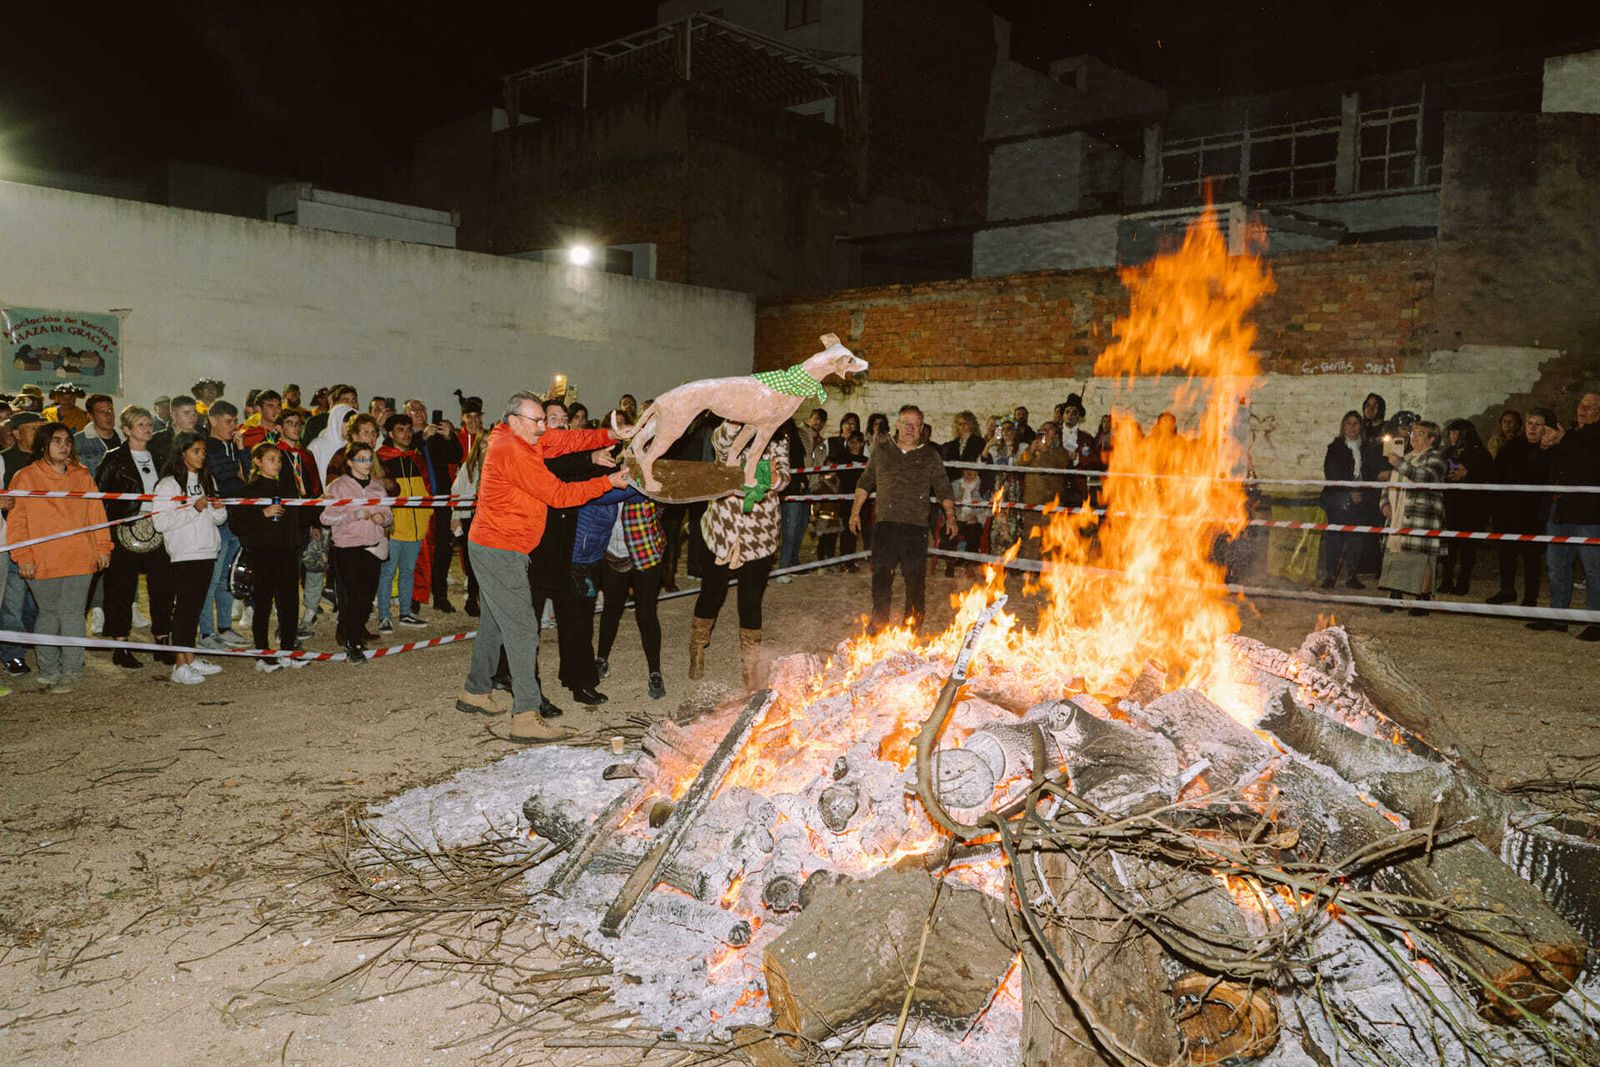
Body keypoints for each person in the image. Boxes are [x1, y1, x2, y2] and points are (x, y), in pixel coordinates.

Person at [460, 391, 625, 743]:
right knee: (522, 630)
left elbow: (567, 438)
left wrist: (610, 435)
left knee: (494, 624)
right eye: (536, 421)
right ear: (515, 419)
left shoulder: (523, 436)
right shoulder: (511, 450)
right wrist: (607, 482)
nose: (542, 428)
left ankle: (475, 691)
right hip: (500, 550)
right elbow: (559, 495)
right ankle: (525, 715)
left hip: (497, 547)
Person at [8, 424, 112, 692]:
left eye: (67, 441)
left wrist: (103, 548)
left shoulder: (82, 475)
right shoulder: (25, 477)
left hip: (80, 557)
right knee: (49, 613)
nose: (64, 446)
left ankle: (72, 670)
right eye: (56, 441)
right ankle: (49, 668)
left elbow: (96, 515)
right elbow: (17, 521)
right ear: (43, 445)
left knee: (72, 613)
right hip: (42, 559)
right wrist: (22, 555)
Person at [689, 421, 792, 689]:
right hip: (724, 527)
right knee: (712, 593)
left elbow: (784, 476)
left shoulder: (778, 435)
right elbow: (720, 444)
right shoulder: (731, 427)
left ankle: (750, 665)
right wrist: (738, 420)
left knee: (750, 600)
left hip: (760, 531)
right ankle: (697, 648)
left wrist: (771, 479)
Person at [850, 405, 956, 632]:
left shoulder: (930, 455)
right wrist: (854, 512)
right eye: (906, 422)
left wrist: (950, 517)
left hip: (915, 527)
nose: (910, 428)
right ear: (897, 424)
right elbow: (865, 482)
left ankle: (912, 627)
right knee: (881, 577)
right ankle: (879, 624)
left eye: (915, 424)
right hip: (885, 525)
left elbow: (944, 488)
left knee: (915, 581)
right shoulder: (881, 450)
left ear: (922, 428)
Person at [96, 405, 174, 668]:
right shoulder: (114, 458)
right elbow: (100, 499)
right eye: (140, 424)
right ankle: (121, 645)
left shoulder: (161, 456)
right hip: (123, 530)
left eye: (148, 423)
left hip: (158, 528)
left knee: (162, 586)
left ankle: (163, 639)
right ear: (127, 430)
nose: (147, 428)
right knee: (121, 589)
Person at [151, 432, 228, 684]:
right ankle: (179, 664)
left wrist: (219, 510)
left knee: (194, 608)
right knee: (184, 609)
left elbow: (217, 520)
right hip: (185, 554)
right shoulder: (168, 484)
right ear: (182, 452)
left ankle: (191, 657)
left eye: (203, 451)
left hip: (207, 550)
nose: (201, 456)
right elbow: (160, 522)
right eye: (196, 450)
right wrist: (193, 509)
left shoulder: (207, 479)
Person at [595, 441, 668, 699]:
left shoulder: (649, 478)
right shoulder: (603, 480)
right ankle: (601, 659)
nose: (626, 459)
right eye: (622, 455)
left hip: (645, 552)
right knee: (611, 609)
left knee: (646, 613)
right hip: (612, 553)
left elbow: (663, 504)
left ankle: (655, 671)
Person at [1530, 391, 1600, 641]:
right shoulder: (1570, 435)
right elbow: (1548, 469)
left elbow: (1590, 464)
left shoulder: (1591, 437)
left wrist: (1563, 440)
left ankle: (1596, 621)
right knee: (1556, 566)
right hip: (1559, 511)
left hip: (1589, 515)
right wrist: (1545, 447)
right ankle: (1558, 616)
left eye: (1590, 407)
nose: (1583, 410)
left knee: (1594, 569)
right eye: (1581, 405)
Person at [231, 443, 306, 671]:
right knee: (262, 604)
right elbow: (236, 524)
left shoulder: (288, 488)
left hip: (287, 552)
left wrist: (322, 502)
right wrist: (261, 514)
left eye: (279, 460)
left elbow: (300, 517)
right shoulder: (249, 491)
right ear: (258, 461)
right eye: (271, 459)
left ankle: (287, 650)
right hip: (262, 554)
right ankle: (263, 654)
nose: (277, 464)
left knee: (289, 604)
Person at [321, 444, 391, 662]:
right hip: (347, 548)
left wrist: (383, 519)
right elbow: (325, 518)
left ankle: (357, 630)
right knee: (353, 595)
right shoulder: (337, 487)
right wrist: (353, 516)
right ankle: (352, 642)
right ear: (349, 462)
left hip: (372, 546)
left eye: (369, 458)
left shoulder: (377, 488)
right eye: (361, 459)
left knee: (367, 596)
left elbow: (389, 515)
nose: (367, 463)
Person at [1378, 420, 1448, 615]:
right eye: (1413, 433)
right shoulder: (1405, 456)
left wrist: (1399, 464)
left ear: (1432, 439)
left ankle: (1423, 599)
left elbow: (1423, 476)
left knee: (1422, 558)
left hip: (1422, 516)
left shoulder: (1436, 459)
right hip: (1398, 515)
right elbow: (1389, 483)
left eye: (1421, 433)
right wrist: (1385, 503)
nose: (1414, 437)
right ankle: (1395, 594)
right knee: (1396, 554)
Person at [1488, 407, 1552, 607]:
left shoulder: (1551, 451)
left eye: (1538, 424)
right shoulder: (1511, 447)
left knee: (1531, 556)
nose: (1532, 428)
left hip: (1532, 511)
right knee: (1506, 552)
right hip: (1507, 509)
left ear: (1546, 428)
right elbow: (1496, 474)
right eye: (1530, 423)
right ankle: (1507, 589)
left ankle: (1530, 597)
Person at [198, 401, 250, 650]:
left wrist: (242, 453)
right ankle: (206, 632)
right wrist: (237, 475)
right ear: (214, 421)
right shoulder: (207, 448)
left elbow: (248, 480)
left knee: (227, 577)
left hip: (236, 519)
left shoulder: (234, 447)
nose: (233, 426)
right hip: (217, 520)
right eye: (229, 421)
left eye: (235, 421)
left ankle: (225, 627)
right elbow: (227, 480)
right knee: (211, 577)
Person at [375, 414, 431, 631]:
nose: (406, 434)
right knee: (388, 572)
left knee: (408, 570)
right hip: (394, 527)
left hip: (416, 527)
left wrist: (426, 518)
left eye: (409, 430)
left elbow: (427, 490)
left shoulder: (417, 459)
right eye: (400, 430)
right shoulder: (381, 458)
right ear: (390, 434)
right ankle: (384, 615)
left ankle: (406, 612)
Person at [407, 399, 463, 613]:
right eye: (414, 410)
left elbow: (457, 456)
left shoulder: (439, 437)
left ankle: (440, 594)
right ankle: (414, 597)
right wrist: (422, 438)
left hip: (440, 500)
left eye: (422, 409)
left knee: (442, 549)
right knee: (417, 551)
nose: (419, 413)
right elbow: (404, 451)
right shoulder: (406, 435)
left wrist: (450, 436)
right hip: (416, 503)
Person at [0, 415, 44, 676]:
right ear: (16, 433)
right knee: (12, 604)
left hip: (44, 542)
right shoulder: (5, 459)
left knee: (36, 606)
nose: (39, 434)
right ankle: (12, 654)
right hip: (14, 543)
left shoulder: (47, 460)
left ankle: (24, 643)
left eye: (41, 429)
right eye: (33, 429)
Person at [275, 409, 326, 632]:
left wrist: (316, 521)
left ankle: (310, 611)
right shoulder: (274, 454)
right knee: (287, 574)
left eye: (298, 424)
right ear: (280, 428)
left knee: (314, 566)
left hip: (306, 521)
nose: (295, 427)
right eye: (289, 423)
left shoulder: (305, 455)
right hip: (285, 523)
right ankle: (285, 623)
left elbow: (315, 488)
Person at [1319, 410, 1381, 590]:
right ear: (1343, 426)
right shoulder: (1335, 447)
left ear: (1361, 427)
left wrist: (1362, 492)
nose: (1352, 427)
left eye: (1356, 424)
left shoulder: (1367, 449)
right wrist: (1348, 493)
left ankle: (1352, 576)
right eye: (1349, 423)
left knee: (1356, 540)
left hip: (1361, 500)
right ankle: (1330, 575)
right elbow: (1331, 474)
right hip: (1338, 500)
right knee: (1335, 539)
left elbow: (1370, 473)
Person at [1436, 419, 1493, 596]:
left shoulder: (1480, 453)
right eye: (1450, 432)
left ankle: (1463, 582)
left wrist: (1468, 474)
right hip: (1451, 505)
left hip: (1472, 507)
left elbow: (1489, 477)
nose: (1451, 436)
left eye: (1455, 432)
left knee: (1468, 548)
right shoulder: (1448, 452)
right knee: (1448, 547)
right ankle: (1446, 580)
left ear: (1465, 434)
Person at [449, 432, 489, 616]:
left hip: (491, 520)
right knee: (473, 562)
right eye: (483, 444)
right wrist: (455, 516)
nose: (486, 448)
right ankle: (471, 598)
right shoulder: (469, 467)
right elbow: (456, 492)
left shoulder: (500, 466)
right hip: (470, 518)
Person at [776, 419, 813, 574]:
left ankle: (793, 561)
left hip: (799, 490)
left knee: (799, 527)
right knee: (789, 531)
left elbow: (800, 466)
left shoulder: (796, 442)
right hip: (788, 492)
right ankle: (783, 568)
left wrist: (803, 483)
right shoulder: (777, 445)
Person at [73, 393, 123, 476]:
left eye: (110, 410)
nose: (108, 415)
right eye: (102, 412)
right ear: (91, 417)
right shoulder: (77, 442)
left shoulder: (125, 440)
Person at [308, 401, 357, 482]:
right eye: (345, 421)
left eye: (352, 422)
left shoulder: (354, 446)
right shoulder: (317, 445)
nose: (349, 425)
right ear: (335, 421)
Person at [151, 395, 199, 470]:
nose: (193, 416)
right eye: (186, 413)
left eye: (195, 412)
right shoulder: (157, 440)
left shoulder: (203, 436)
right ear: (173, 415)